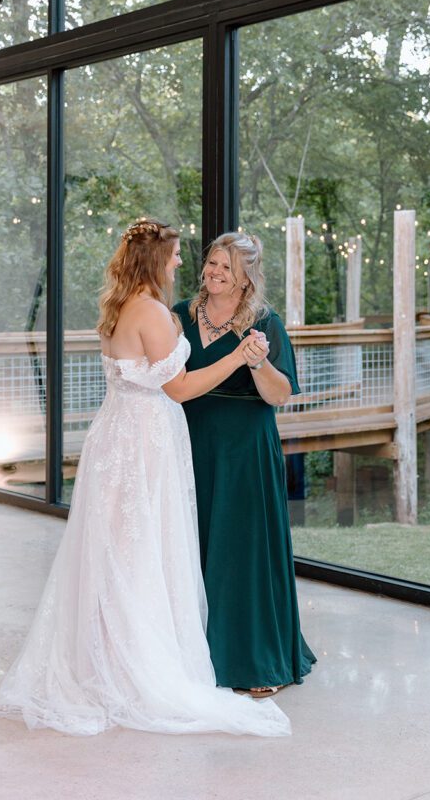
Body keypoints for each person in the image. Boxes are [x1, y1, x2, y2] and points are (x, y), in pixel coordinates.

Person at [0, 218, 290, 737]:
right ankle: (135, 667)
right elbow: (178, 388)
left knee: (122, 552)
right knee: (142, 552)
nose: (185, 266)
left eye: (218, 265)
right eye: (176, 257)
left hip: (125, 438)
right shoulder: (158, 314)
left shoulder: (129, 307)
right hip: (144, 440)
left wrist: (249, 360)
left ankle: (107, 658)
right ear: (154, 261)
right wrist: (237, 354)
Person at [173, 232, 316, 695]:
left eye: (225, 268)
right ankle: (187, 655)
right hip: (189, 440)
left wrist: (255, 363)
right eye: (211, 263)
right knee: (191, 547)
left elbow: (280, 395)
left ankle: (255, 661)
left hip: (245, 449)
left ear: (246, 277)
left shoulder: (265, 323)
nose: (213, 273)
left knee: (243, 553)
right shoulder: (179, 315)